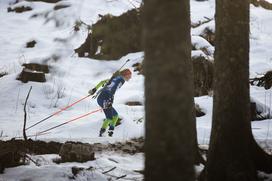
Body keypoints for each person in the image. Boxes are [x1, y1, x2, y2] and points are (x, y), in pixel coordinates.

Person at [89, 69, 132, 137]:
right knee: (109, 118)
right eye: (129, 75)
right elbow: (113, 89)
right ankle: (102, 133)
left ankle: (110, 131)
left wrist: (94, 89)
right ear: (125, 75)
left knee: (116, 116)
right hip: (105, 98)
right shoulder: (121, 80)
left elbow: (102, 82)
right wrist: (110, 100)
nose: (130, 77)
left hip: (102, 98)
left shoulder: (115, 78)